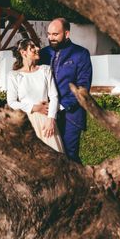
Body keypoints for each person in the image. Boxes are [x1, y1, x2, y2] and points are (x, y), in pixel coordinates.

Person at [38, 18, 92, 163]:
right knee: (49, 157)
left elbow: (83, 87)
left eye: (55, 34)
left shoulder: (81, 54)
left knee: (69, 157)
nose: (51, 38)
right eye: (49, 34)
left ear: (66, 34)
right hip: (45, 115)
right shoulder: (43, 54)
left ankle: (81, 185)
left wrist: (59, 106)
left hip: (70, 115)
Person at [6, 38, 64, 153]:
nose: (37, 49)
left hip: (46, 121)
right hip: (26, 122)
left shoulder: (45, 70)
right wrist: (36, 107)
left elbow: (54, 96)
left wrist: (51, 120)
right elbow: (11, 102)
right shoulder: (14, 75)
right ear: (23, 53)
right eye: (32, 47)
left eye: (36, 46)